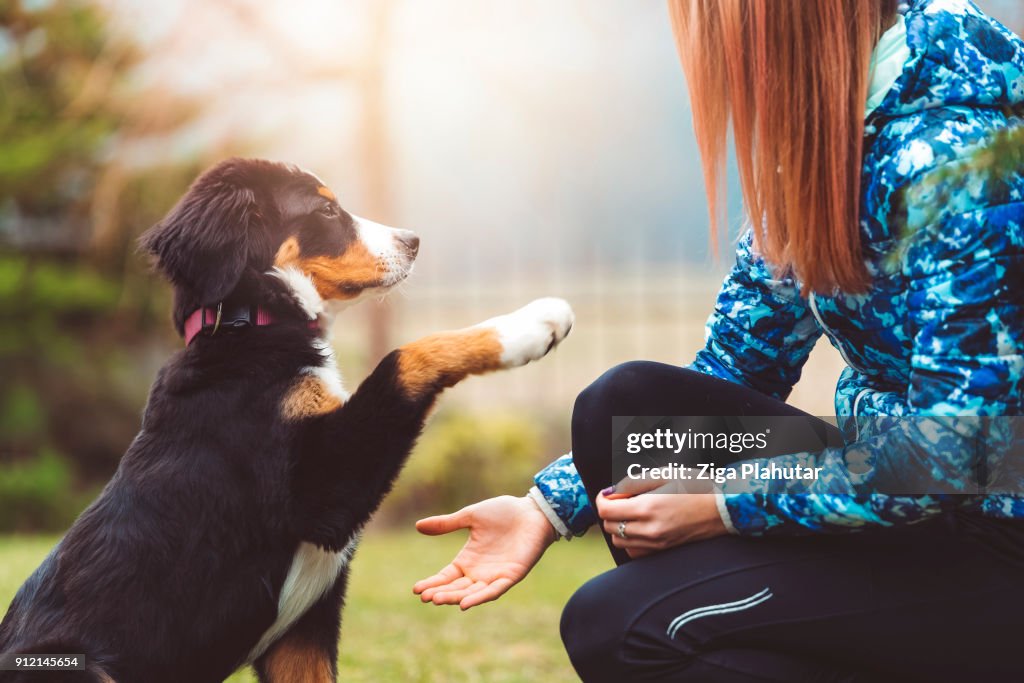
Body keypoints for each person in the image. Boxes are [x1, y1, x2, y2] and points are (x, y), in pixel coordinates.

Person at [414, 0, 1024, 680]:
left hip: (996, 541)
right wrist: (546, 508)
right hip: (903, 505)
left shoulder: (959, 155)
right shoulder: (832, 136)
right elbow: (739, 367)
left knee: (617, 625)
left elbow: (956, 457)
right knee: (624, 413)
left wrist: (726, 505)